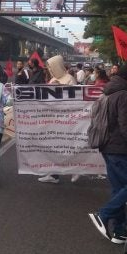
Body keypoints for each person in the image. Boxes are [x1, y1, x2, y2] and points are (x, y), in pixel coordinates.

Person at [88, 64, 127, 244]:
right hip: (121, 149)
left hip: (107, 146)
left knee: (119, 189)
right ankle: (103, 214)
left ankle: (119, 231)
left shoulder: (108, 92)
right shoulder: (124, 95)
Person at [39, 55, 79, 184]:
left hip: (67, 119)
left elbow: (74, 97)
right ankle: (54, 174)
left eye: (51, 66)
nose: (50, 69)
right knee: (54, 148)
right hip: (53, 119)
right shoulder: (52, 79)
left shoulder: (69, 79)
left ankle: (76, 169)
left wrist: (60, 86)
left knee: (68, 147)